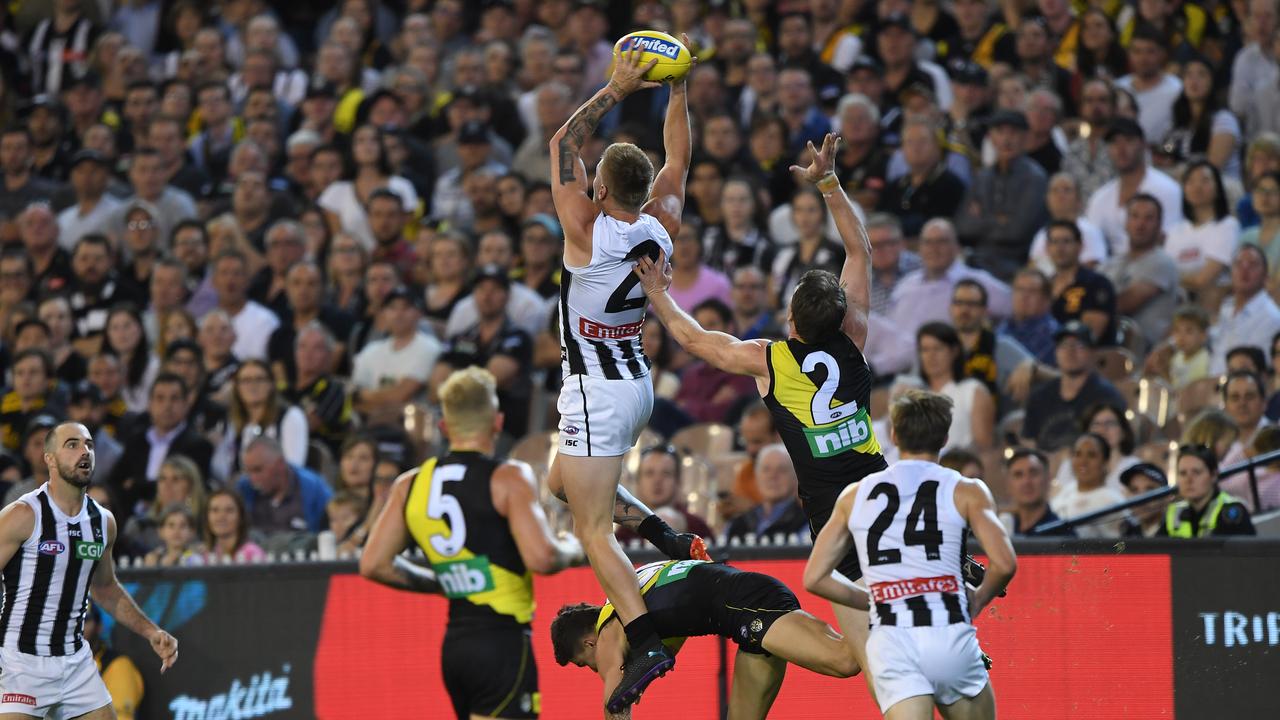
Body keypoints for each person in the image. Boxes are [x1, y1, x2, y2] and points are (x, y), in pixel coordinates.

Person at [637, 132, 902, 701]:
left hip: (838, 525)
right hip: (888, 503)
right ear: (840, 317)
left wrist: (659, 293)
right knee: (905, 645)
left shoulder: (770, 361)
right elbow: (862, 252)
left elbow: (696, 340)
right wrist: (828, 183)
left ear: (791, 320)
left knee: (862, 665)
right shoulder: (854, 337)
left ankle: (756, 631)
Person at [545, 40, 710, 713]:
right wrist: (677, 91)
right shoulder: (663, 221)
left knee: (590, 533)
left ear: (601, 188)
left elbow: (563, 139)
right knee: (557, 481)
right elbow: (680, 158)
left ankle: (644, 640)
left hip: (596, 390)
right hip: (634, 382)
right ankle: (666, 537)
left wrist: (616, 89)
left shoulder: (584, 227)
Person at [359, 367, 585, 720]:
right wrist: (573, 547)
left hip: (456, 647)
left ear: (444, 427)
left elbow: (373, 563)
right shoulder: (508, 477)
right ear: (497, 421)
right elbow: (542, 557)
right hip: (502, 643)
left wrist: (441, 582)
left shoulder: (409, 485)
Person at [804, 389, 1015, 720]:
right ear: (945, 437)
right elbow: (1004, 563)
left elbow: (815, 578)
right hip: (947, 629)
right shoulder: (966, 490)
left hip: (892, 638)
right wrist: (979, 598)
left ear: (893, 434)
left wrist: (872, 600)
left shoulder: (855, 495)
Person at [0, 421, 179, 718]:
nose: (84, 451)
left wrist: (151, 631)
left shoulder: (102, 521)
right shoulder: (23, 515)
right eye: (72, 444)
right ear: (50, 459)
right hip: (21, 662)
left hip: (75, 662)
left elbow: (105, 588)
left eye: (89, 445)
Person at [550, 559, 860, 718]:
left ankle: (891, 612)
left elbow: (613, 706)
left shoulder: (607, 628)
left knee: (845, 660)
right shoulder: (636, 597)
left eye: (584, 664)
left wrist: (620, 691)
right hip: (746, 603)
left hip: (748, 605)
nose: (595, 669)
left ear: (589, 643)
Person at [107, 373, 213, 526]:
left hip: (179, 521)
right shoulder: (136, 440)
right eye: (160, 398)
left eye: (174, 398)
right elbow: (115, 483)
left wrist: (137, 486)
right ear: (150, 404)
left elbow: (194, 489)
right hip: (132, 519)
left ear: (186, 404)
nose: (167, 405)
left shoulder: (198, 446)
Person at [1084, 118, 1182, 256]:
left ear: (1143, 145)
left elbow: (1169, 240)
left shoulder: (1167, 189)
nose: (1121, 149)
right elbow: (1090, 245)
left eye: (1128, 140)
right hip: (1110, 270)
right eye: (1114, 142)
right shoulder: (1099, 198)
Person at [1021, 322, 1125, 451]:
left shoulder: (1107, 397)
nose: (1070, 352)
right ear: (1056, 353)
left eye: (1079, 346)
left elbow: (1115, 445)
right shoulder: (1039, 397)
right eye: (1064, 346)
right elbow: (1028, 443)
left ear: (1093, 353)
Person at [1101, 193, 1181, 348]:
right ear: (1125, 223)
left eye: (1148, 218)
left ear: (1159, 224)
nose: (1140, 224)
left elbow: (1125, 304)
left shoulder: (1162, 262)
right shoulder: (1109, 264)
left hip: (1146, 350)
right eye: (1134, 216)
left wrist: (1091, 307)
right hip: (1109, 346)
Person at [906, 322, 995, 452]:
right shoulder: (913, 396)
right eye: (925, 350)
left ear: (954, 351)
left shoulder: (973, 391)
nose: (931, 356)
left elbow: (984, 447)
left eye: (938, 348)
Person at [1165, 161, 1240, 298]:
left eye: (1205, 180)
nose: (1197, 187)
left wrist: (1169, 276)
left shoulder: (1228, 225)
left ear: (1218, 188)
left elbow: (1203, 280)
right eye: (1190, 181)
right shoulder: (1174, 230)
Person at [615, 445, 714, 545]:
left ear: (678, 481)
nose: (657, 480)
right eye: (649, 473)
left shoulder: (697, 528)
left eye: (666, 473)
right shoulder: (626, 532)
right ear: (638, 482)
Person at [1157, 444, 1256, 537]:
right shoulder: (1174, 512)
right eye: (1183, 473)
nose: (1189, 480)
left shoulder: (1231, 510)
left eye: (1196, 472)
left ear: (1213, 475)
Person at [1209, 245, 1280, 375]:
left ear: (1265, 276)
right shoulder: (1226, 307)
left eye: (1252, 265)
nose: (1244, 269)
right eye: (1238, 264)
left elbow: (1258, 369)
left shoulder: (1271, 318)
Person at [724, 443, 810, 543]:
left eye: (782, 470)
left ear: (796, 477)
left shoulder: (806, 523)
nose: (772, 476)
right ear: (756, 476)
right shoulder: (736, 524)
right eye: (766, 470)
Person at [1050, 432, 1127, 538]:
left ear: (1105, 462)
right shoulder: (1065, 491)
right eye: (1078, 454)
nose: (1083, 461)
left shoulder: (1113, 501)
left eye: (1091, 455)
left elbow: (1120, 546)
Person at [1001, 448, 1076, 536]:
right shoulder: (1002, 529)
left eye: (1033, 473)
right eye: (1018, 475)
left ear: (1048, 479)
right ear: (1008, 485)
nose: (1026, 482)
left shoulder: (1064, 534)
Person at [200, 488, 265, 563]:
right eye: (215, 510)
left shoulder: (253, 554)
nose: (221, 517)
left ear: (241, 517)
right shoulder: (203, 555)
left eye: (229, 510)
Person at [1118, 463, 1171, 538]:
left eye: (1150, 489)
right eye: (1134, 490)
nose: (1141, 497)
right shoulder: (1127, 530)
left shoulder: (1177, 531)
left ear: (1167, 496)